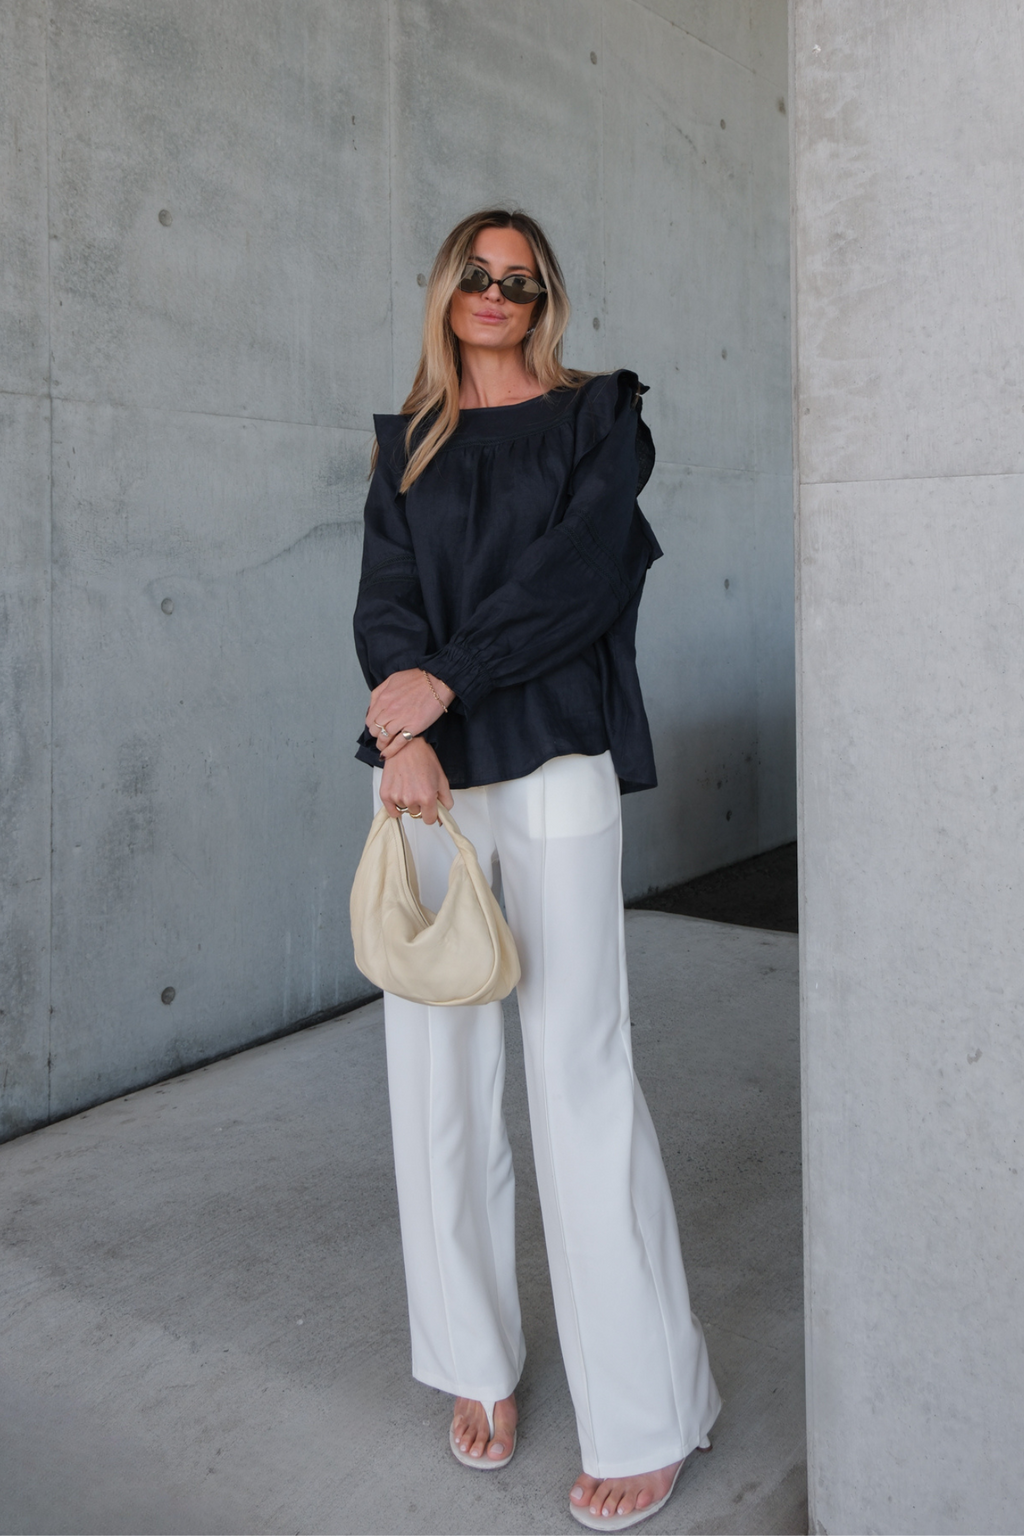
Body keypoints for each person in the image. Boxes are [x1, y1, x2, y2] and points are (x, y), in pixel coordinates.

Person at [352, 207, 720, 1531]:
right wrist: (404, 734)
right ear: (446, 289)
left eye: (520, 278)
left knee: (579, 1077)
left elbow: (582, 578)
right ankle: (475, 1359)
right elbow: (385, 603)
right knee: (434, 1082)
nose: (496, 292)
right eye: (477, 273)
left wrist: (445, 682)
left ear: (544, 295)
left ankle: (650, 1410)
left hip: (555, 763)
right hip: (432, 782)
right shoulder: (406, 440)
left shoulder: (597, 419)